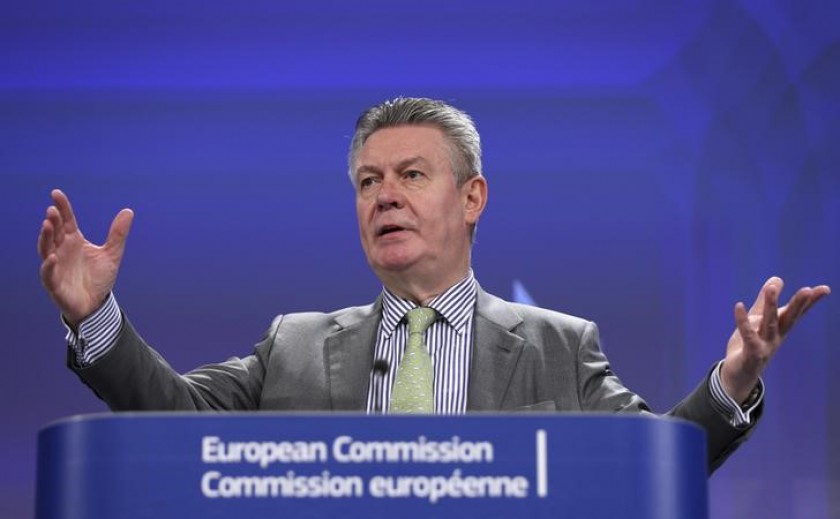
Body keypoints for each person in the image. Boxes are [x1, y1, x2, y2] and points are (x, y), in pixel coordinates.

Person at [38, 97, 830, 472]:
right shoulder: (294, 346)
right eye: (368, 181)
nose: (384, 195)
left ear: (473, 197)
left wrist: (732, 382)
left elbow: (652, 463)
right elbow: (174, 418)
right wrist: (97, 314)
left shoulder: (559, 346)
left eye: (412, 175)